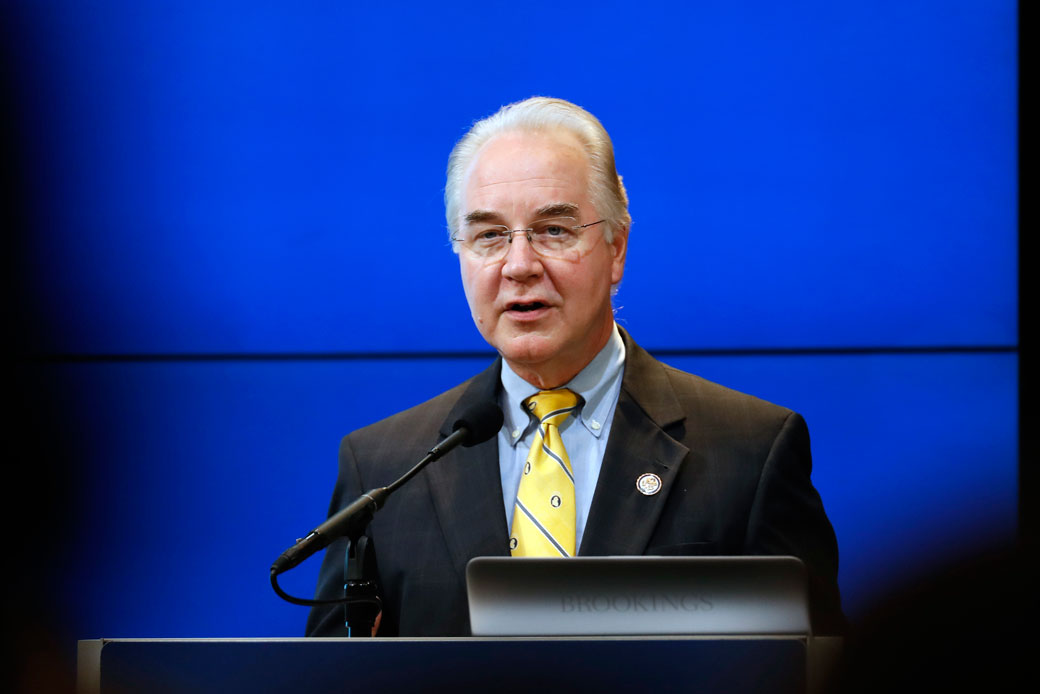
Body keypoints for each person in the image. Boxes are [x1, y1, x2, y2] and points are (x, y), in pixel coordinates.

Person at [306, 96, 845, 637]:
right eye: (489, 235)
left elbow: (817, 668)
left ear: (616, 248)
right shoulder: (382, 469)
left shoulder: (750, 450)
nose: (519, 265)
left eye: (553, 230)